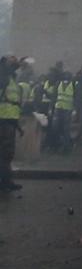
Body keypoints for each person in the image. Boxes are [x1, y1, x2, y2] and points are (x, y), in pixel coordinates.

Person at [0, 56, 24, 192]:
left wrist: (18, 126)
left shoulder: (10, 78)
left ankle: (6, 181)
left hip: (9, 120)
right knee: (5, 154)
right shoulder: (3, 76)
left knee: (7, 154)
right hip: (4, 120)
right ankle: (4, 182)